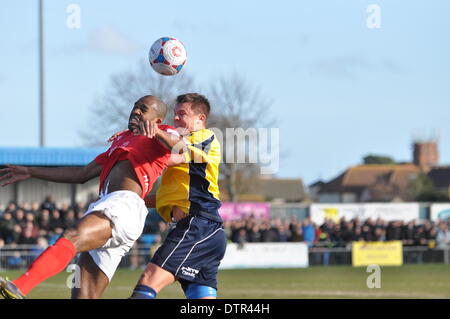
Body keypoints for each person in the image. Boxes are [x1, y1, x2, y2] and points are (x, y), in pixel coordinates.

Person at [0, 95, 181, 299]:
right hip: (109, 206)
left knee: (72, 236)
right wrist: (31, 171)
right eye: (135, 106)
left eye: (144, 109)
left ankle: (19, 286)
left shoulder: (163, 133)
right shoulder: (121, 139)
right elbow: (81, 174)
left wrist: (156, 132)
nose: (136, 111)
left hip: (124, 205)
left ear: (157, 120)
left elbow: (181, 146)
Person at [127, 93, 227, 299]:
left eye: (182, 114)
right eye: (175, 114)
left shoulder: (205, 137)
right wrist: (128, 197)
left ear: (200, 119)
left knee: (148, 281)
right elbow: (166, 186)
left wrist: (153, 133)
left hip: (198, 226)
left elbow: (173, 153)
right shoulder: (184, 151)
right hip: (202, 230)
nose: (176, 119)